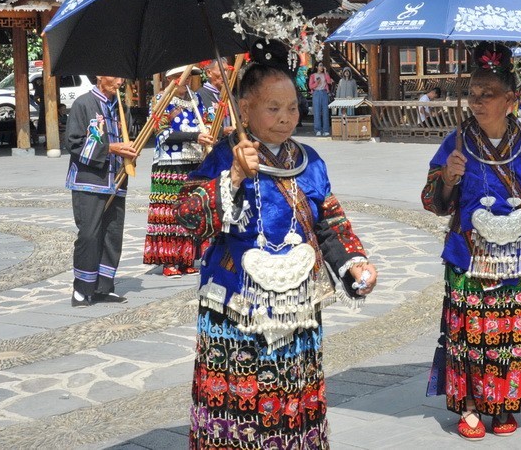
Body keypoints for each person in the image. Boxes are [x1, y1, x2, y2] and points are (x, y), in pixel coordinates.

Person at [174, 40, 376, 449]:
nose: (286, 119)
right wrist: (232, 175)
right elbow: (187, 218)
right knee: (240, 404)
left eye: (293, 108)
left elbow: (330, 221)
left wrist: (354, 263)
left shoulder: (311, 160)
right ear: (244, 108)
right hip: (238, 307)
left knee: (293, 396)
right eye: (273, 108)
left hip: (297, 306)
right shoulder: (225, 158)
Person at [421, 42, 521, 440]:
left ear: (511, 99)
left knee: (513, 332)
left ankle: (505, 403)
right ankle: (471, 405)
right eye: (473, 94)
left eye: (487, 95)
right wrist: (448, 178)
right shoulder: (454, 143)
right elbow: (432, 201)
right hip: (469, 256)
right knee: (470, 334)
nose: (477, 102)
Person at [64, 76, 138, 307]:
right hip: (89, 180)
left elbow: (130, 139)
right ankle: (82, 289)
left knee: (112, 234)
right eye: (114, 77)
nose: (119, 81)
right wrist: (112, 148)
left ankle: (104, 287)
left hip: (117, 180)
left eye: (120, 77)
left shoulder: (121, 108)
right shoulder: (83, 104)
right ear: (99, 77)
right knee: (89, 234)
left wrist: (131, 150)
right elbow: (73, 142)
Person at [143, 67, 216, 278]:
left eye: (186, 77)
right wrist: (195, 137)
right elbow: (163, 133)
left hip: (193, 162)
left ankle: (186, 259)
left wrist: (209, 130)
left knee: (190, 210)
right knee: (169, 212)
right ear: (171, 79)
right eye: (179, 78)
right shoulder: (161, 99)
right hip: (169, 164)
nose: (183, 81)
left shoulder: (196, 99)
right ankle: (169, 260)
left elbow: (206, 122)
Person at [308, 63, 332, 136]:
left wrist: (326, 72)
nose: (322, 67)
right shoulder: (313, 75)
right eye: (320, 65)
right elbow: (310, 86)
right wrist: (316, 83)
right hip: (316, 93)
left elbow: (329, 82)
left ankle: (326, 130)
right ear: (316, 67)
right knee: (317, 112)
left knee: (325, 112)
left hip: (324, 93)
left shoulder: (325, 74)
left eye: (322, 65)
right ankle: (318, 130)